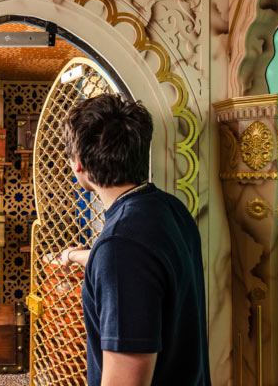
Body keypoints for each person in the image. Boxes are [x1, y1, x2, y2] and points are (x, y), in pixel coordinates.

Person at [58, 94, 210, 385]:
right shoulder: (167, 209)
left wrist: (102, 253)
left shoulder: (121, 246)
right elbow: (140, 266)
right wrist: (74, 255)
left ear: (78, 163)